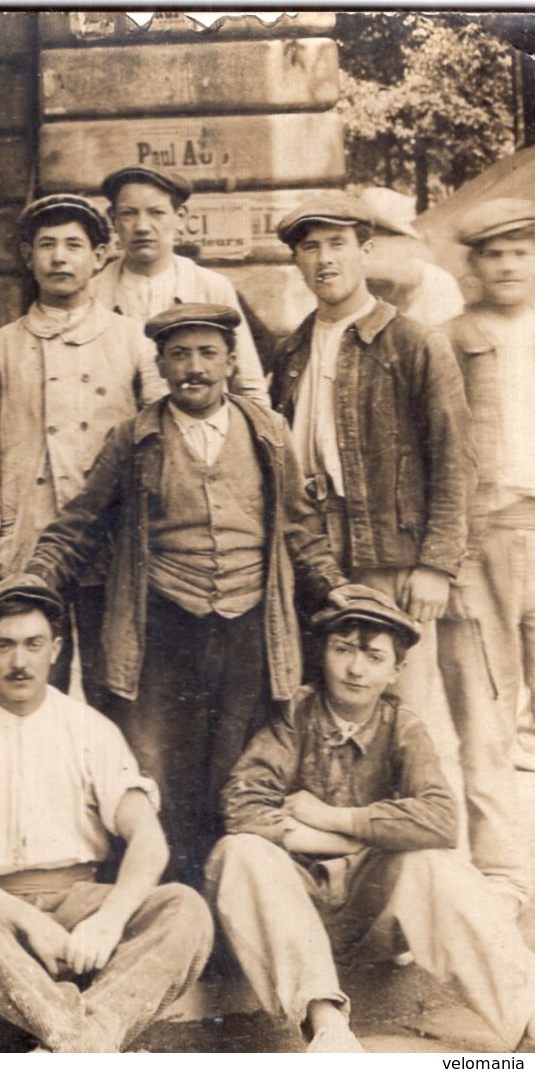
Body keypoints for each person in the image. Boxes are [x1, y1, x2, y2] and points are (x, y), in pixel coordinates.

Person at [15, 304, 359, 886]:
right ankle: (165, 902)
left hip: (250, 626)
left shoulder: (266, 433)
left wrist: (335, 587)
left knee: (238, 770)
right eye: (179, 355)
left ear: (229, 360)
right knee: (156, 771)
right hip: (163, 628)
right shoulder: (136, 438)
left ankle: (235, 904)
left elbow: (300, 530)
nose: (193, 368)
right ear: (161, 364)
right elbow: (80, 524)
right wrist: (33, 582)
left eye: (206, 353)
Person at [207, 593, 535, 1053]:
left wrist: (331, 820)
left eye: (374, 656)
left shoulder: (403, 726)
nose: (355, 669)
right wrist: (344, 838)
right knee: (240, 851)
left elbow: (440, 819)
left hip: (372, 911)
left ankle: (527, 1021)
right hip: (292, 908)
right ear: (323, 654)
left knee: (431, 863)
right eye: (343, 649)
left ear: (396, 670)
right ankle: (329, 1030)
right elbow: (243, 806)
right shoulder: (294, 714)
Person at [0, 580, 212, 1053]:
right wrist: (27, 921)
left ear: (55, 650)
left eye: (33, 645)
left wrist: (109, 920)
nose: (20, 662)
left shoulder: (88, 729)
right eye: (4, 646)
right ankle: (89, 1044)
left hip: (83, 908)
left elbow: (148, 838)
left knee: (185, 908)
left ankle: (74, 1038)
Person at [0, 193, 166, 711]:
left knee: (113, 689)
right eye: (46, 245)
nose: (59, 257)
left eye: (74, 245)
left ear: (100, 257)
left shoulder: (134, 341)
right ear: (28, 257)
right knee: (32, 691)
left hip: (111, 549)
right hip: (28, 546)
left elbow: (164, 450)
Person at [270, 193, 474, 713]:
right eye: (310, 248)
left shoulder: (414, 344)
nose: (324, 260)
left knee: (400, 710)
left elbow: (454, 460)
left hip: (392, 554)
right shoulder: (291, 353)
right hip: (315, 553)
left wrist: (436, 565)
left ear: (366, 251)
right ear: (297, 261)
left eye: (337, 244)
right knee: (323, 705)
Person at [436, 197, 535, 904]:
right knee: (485, 702)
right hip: (484, 535)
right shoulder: (450, 339)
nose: (506, 265)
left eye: (520, 253)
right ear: (472, 265)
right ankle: (502, 872)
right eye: (493, 254)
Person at [91, 165, 269, 405]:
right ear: (113, 220)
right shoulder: (93, 294)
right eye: (129, 214)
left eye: (157, 213)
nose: (142, 226)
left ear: (180, 218)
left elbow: (248, 385)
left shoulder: (211, 288)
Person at [360, 186, 466, 328]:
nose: (374, 245)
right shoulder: (346, 279)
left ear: (403, 239)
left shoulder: (436, 281)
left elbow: (446, 339)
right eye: (364, 235)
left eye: (384, 234)